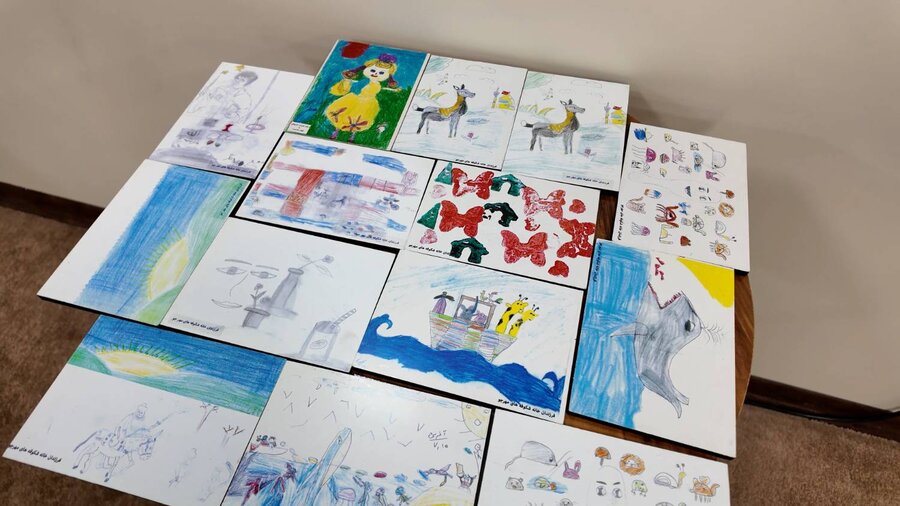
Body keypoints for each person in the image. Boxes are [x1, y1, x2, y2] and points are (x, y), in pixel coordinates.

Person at [325, 54, 400, 142]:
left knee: (360, 118)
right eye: (373, 70)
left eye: (381, 73)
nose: (375, 73)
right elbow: (354, 88)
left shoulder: (378, 84)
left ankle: (352, 136)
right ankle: (336, 132)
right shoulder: (363, 81)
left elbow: (386, 90)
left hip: (368, 103)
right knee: (344, 114)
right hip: (354, 100)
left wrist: (393, 87)